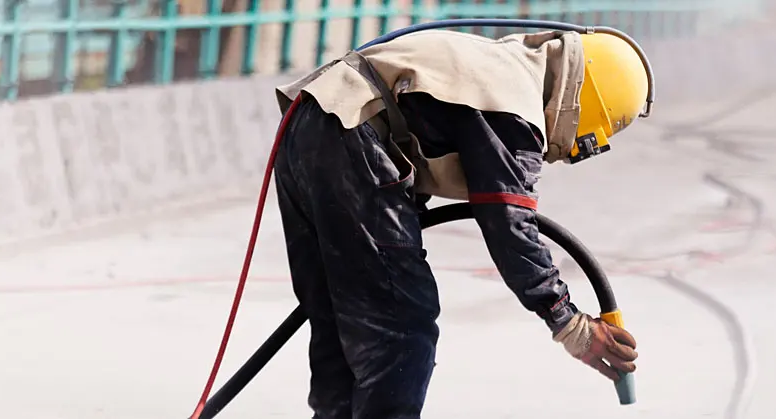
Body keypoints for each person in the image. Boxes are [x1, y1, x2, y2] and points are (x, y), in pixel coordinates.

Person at [271, 27, 649, 419]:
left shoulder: (503, 67)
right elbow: (509, 222)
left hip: (313, 122)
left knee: (342, 323)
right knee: (402, 329)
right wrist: (569, 323)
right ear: (585, 105)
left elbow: (413, 127)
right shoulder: (513, 105)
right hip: (350, 135)